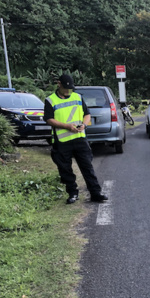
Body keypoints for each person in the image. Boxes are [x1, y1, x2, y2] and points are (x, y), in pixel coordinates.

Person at [44, 74, 108, 204]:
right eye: (66, 88)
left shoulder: (77, 97)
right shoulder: (50, 100)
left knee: (87, 167)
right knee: (65, 169)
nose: (68, 91)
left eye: (70, 88)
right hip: (62, 142)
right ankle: (73, 193)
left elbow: (87, 114)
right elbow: (49, 119)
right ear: (59, 84)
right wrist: (67, 126)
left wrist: (84, 125)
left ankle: (96, 193)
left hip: (80, 139)